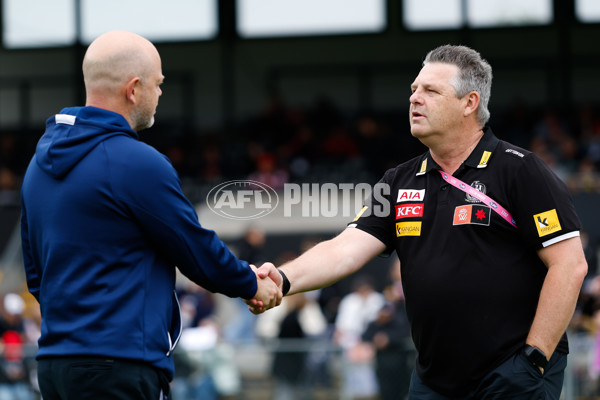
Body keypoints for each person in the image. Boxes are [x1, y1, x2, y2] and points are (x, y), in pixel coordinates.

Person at [250, 44, 588, 399]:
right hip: (433, 381)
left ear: (469, 103)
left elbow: (569, 265)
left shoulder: (520, 169)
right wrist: (283, 278)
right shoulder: (398, 180)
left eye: (431, 91)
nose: (415, 99)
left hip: (512, 373)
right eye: (414, 90)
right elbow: (344, 250)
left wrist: (534, 356)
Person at [20, 30, 281, 400]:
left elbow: (36, 275)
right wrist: (251, 283)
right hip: (119, 367)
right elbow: (193, 248)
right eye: (158, 85)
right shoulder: (137, 162)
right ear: (134, 89)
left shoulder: (37, 167)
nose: (160, 94)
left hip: (54, 367)